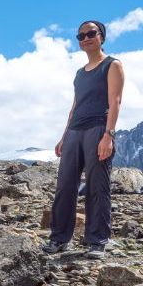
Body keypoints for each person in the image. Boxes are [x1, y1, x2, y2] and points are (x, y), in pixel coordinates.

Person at [43, 20, 125, 259]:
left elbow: (115, 101)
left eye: (91, 34)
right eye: (80, 36)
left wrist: (108, 136)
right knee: (65, 186)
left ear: (102, 37)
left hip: (98, 129)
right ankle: (59, 238)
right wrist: (64, 136)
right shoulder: (79, 73)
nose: (86, 38)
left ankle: (97, 241)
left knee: (97, 186)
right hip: (75, 132)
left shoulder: (112, 65)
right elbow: (75, 106)